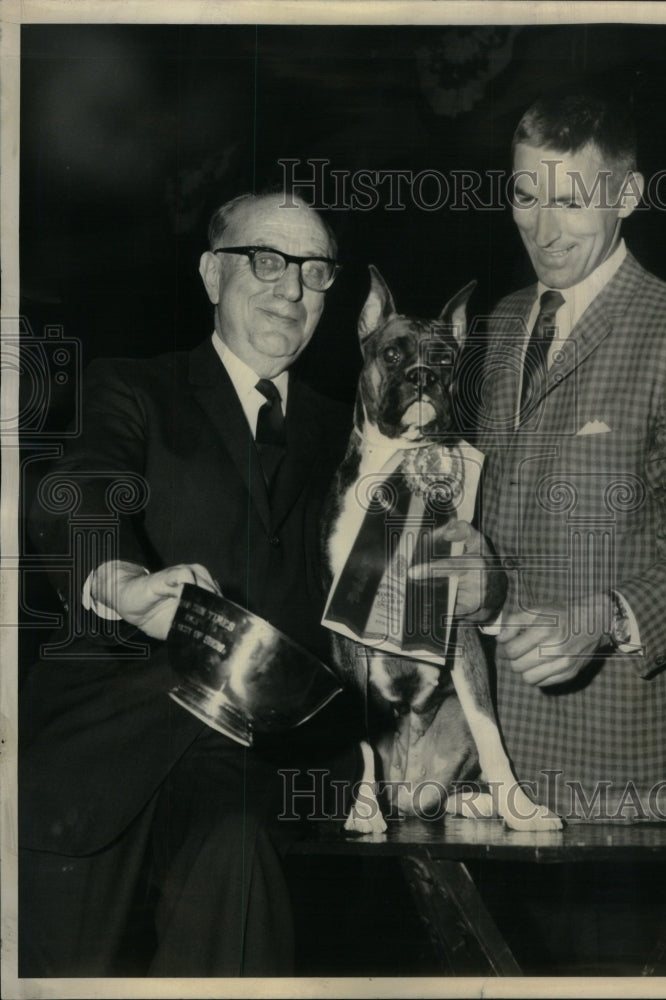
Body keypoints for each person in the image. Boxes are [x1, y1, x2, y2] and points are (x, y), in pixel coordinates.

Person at [19, 191, 362, 976]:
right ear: (212, 274)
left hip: (259, 758)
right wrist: (118, 580)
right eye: (267, 261)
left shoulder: (348, 432)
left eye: (315, 271)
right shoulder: (136, 387)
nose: (292, 288)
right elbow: (81, 489)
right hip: (111, 743)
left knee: (237, 869)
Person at [472, 90, 666, 823]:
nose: (544, 227)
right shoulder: (501, 323)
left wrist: (601, 619)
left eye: (573, 199)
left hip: (623, 784)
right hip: (489, 766)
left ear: (627, 194)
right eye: (526, 195)